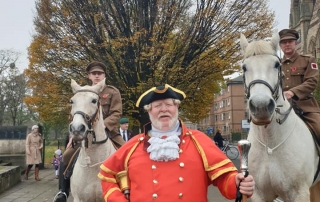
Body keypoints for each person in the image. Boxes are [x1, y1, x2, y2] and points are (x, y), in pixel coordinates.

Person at [98, 84, 255, 202]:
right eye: (157, 106)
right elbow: (107, 175)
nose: (163, 109)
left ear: (177, 107)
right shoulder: (133, 146)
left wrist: (238, 183)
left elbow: (225, 179)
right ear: (148, 111)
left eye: (169, 104)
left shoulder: (198, 140)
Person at [53, 61, 125, 202]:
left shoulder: (112, 91)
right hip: (85, 134)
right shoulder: (83, 93)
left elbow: (117, 112)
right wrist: (72, 136)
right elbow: (74, 114)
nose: (97, 76)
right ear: (89, 76)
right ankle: (63, 191)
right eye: (94, 73)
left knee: (129, 156)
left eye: (100, 73)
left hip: (110, 132)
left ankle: (134, 189)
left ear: (104, 76)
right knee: (66, 157)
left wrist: (104, 125)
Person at [279, 29, 320, 144]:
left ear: (296, 43)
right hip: (280, 108)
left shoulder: (307, 60)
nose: (287, 44)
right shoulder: (275, 65)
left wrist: (292, 92)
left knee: (319, 129)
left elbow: (312, 81)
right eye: (284, 42)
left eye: (290, 41)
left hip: (305, 106)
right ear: (280, 45)